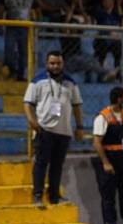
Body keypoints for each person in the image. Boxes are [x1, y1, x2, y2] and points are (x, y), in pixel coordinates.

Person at [23, 51, 84, 206]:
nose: (55, 66)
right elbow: (27, 103)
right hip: (44, 130)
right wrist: (31, 120)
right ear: (47, 64)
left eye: (58, 63)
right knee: (41, 163)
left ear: (63, 64)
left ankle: (54, 196)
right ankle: (37, 195)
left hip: (64, 131)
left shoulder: (70, 82)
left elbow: (77, 106)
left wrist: (80, 126)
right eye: (52, 63)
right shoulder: (37, 81)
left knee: (57, 165)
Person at [91, 87, 123, 224]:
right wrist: (105, 162)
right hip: (110, 159)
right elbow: (97, 142)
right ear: (118, 99)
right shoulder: (103, 117)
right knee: (108, 194)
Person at [3, 0, 34, 81]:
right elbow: (2, 9)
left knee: (24, 52)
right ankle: (12, 69)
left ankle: (21, 74)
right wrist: (0, 26)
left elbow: (34, 10)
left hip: (25, 26)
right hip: (11, 25)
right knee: (9, 49)